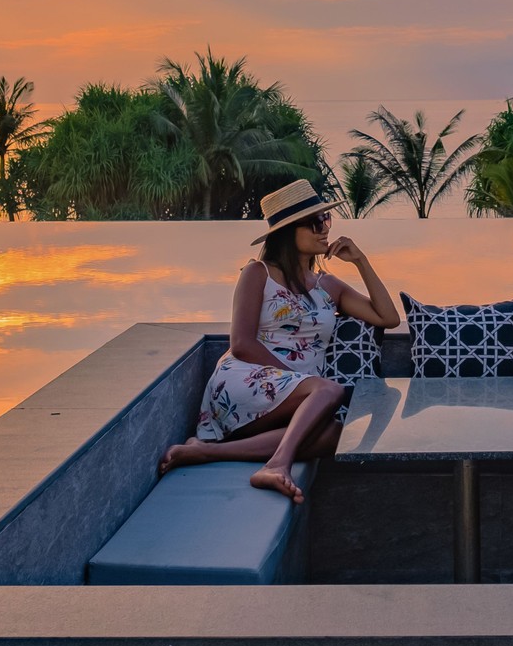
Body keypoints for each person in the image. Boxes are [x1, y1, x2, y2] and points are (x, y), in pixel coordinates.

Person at [159, 180, 400, 502]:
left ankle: (206, 452)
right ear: (288, 232)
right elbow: (242, 343)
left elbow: (388, 318)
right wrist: (297, 383)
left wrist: (361, 261)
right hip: (247, 377)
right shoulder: (258, 273)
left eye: (325, 220)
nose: (323, 229)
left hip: (299, 394)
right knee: (330, 389)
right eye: (314, 223)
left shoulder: (328, 285)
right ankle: (277, 464)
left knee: (335, 434)